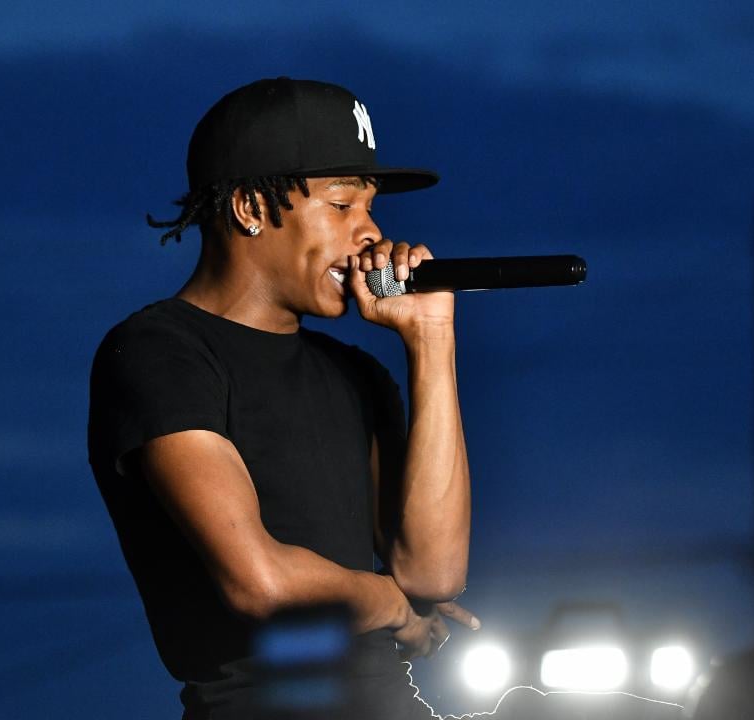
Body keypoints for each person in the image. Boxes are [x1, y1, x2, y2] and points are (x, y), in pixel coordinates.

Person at [88, 77, 477, 720]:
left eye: (371, 207)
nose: (371, 232)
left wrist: (432, 339)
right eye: (342, 205)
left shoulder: (355, 374)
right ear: (250, 207)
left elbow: (434, 574)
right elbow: (261, 583)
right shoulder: (159, 353)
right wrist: (392, 607)